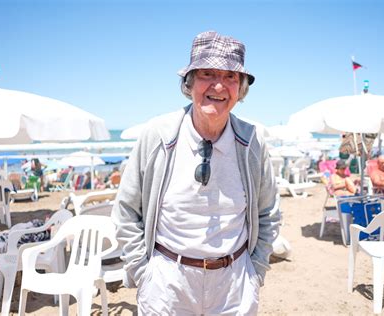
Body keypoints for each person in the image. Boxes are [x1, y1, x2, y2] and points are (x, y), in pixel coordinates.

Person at [112, 31, 280, 315]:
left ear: (240, 89)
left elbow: (269, 214)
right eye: (207, 73)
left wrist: (256, 272)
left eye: (230, 76)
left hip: (235, 285)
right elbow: (127, 210)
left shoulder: (252, 141)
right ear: (189, 83)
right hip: (167, 284)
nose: (219, 85)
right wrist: (144, 273)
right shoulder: (158, 135)